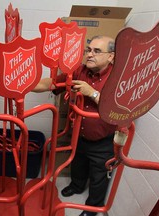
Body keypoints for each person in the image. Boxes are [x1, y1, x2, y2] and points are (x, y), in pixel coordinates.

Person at [33, 35, 117, 216]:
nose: (90, 55)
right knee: (78, 164)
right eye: (88, 50)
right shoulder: (80, 70)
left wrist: (92, 93)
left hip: (103, 141)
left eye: (96, 51)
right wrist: (30, 84)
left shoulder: (118, 77)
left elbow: (117, 109)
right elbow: (54, 82)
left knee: (98, 175)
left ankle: (92, 209)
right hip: (79, 133)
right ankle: (77, 186)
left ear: (111, 56)